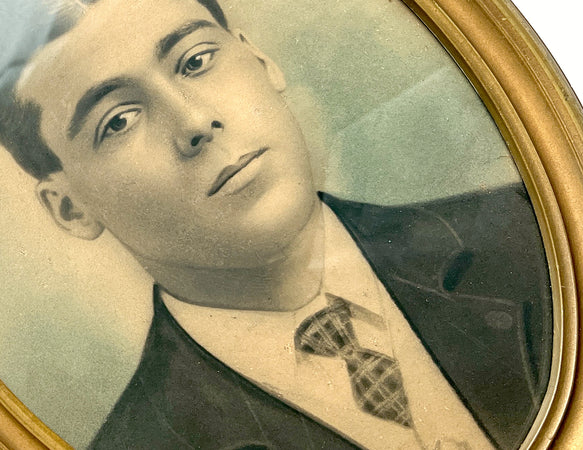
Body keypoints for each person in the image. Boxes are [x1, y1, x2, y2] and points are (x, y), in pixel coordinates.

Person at [0, 0, 552, 448]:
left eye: (195, 61)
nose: (194, 122)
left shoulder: (535, 239)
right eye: (118, 121)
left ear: (260, 62)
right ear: (71, 207)